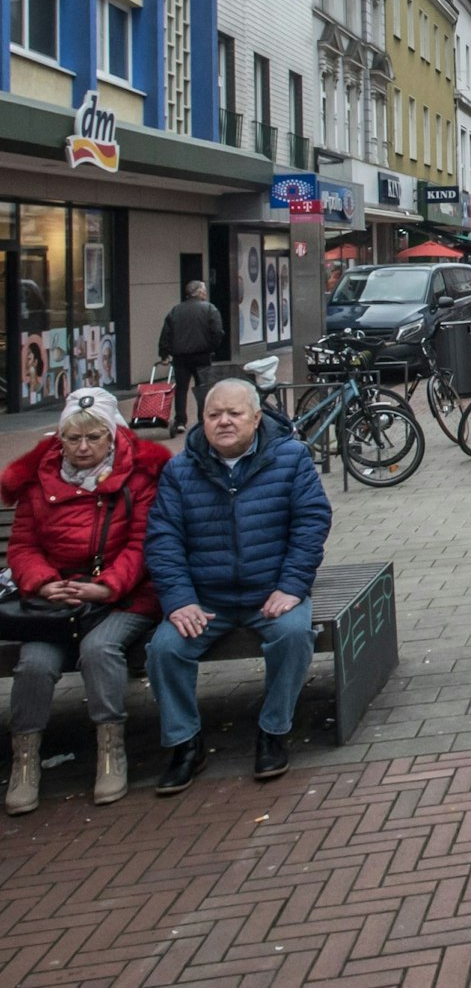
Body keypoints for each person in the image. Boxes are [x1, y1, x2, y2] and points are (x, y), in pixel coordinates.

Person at [143, 379, 331, 794]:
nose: (224, 421)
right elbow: (163, 539)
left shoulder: (291, 458)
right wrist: (179, 601)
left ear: (257, 418)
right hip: (207, 600)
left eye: (234, 413)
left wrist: (292, 586)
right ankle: (184, 743)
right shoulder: (180, 470)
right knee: (165, 650)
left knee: (294, 635)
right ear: (202, 421)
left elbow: (311, 523)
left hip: (271, 591)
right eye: (214, 415)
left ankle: (273, 731)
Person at [2, 390, 173, 814]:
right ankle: (25, 762)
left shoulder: (138, 479)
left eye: (93, 437)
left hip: (123, 597)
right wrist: (43, 584)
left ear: (112, 435)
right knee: (35, 664)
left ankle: (111, 750)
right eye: (72, 439)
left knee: (99, 650)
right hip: (57, 602)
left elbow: (143, 545)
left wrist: (107, 587)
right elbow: (23, 546)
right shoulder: (40, 482)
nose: (82, 448)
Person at [156, 280, 226, 438]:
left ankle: (180, 420)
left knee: (181, 389)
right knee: (203, 388)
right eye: (204, 290)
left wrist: (164, 354)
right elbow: (217, 332)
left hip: (180, 357)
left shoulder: (176, 310)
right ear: (200, 292)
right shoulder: (209, 309)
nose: (206, 292)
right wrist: (212, 347)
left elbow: (166, 334)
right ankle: (203, 420)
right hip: (202, 355)